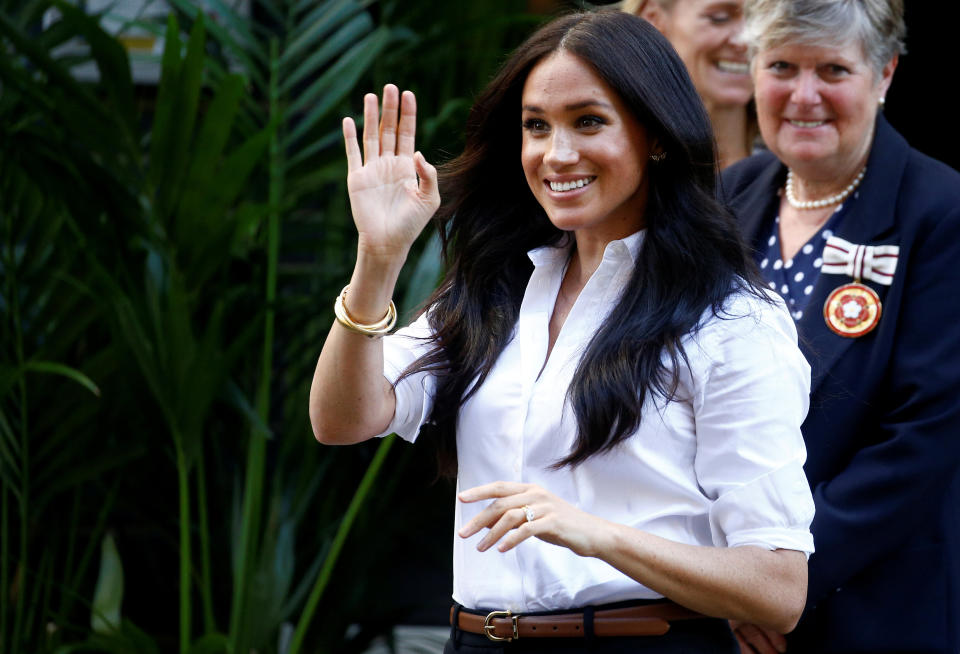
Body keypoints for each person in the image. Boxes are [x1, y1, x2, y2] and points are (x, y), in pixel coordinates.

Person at [310, 10, 815, 653]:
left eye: (589, 121)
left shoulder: (730, 320)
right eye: (536, 126)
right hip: (476, 640)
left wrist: (593, 532)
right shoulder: (493, 291)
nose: (558, 154)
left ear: (656, 136)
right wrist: (377, 262)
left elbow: (778, 588)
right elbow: (341, 420)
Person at [721, 1, 960, 652]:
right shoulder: (730, 196)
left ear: (884, 75)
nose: (804, 95)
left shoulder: (940, 212)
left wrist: (781, 579)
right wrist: (722, 579)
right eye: (781, 67)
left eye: (832, 69)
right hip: (726, 602)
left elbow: (923, 437)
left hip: (871, 605)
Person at [622, 0, 757, 168]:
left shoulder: (791, 174)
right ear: (653, 18)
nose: (746, 40)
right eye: (720, 18)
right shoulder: (621, 170)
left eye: (759, 20)